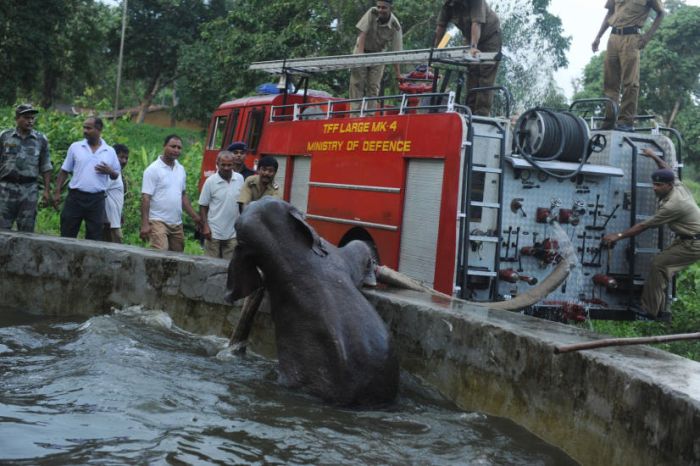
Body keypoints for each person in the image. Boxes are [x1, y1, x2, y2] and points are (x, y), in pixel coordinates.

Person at [602, 148, 700, 320]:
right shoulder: (675, 184)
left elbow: (643, 226)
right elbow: (667, 169)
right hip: (686, 239)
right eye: (654, 184)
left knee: (658, 265)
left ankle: (649, 311)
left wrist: (617, 236)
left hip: (693, 243)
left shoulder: (674, 205)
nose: (654, 188)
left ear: (668, 186)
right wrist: (654, 156)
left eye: (658, 185)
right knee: (662, 267)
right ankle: (658, 308)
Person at [592, 0, 664, 131]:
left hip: (631, 38)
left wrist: (646, 38)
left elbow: (661, 13)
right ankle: (609, 121)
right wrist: (598, 36)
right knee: (610, 84)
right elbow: (610, 13)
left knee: (630, 83)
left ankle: (626, 122)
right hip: (613, 37)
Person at [54, 117, 121, 241]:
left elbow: (116, 174)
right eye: (84, 127)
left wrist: (109, 171)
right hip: (75, 198)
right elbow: (64, 171)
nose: (85, 131)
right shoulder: (75, 147)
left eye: (88, 128)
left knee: (94, 236)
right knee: (67, 233)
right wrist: (57, 191)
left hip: (97, 200)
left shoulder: (109, 151)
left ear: (99, 129)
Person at [434, 0, 502, 117]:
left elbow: (476, 23)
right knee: (472, 75)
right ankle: (469, 112)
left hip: (490, 37)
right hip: (471, 38)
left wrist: (473, 47)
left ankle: (481, 116)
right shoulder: (447, 5)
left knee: (485, 78)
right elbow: (441, 27)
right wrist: (435, 49)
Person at [140, 134, 201, 252]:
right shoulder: (153, 169)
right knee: (160, 253)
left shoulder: (181, 169)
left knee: (177, 257)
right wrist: (145, 224)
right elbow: (145, 198)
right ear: (164, 146)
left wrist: (195, 217)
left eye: (179, 148)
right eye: (173, 146)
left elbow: (182, 195)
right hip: (157, 221)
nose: (176, 150)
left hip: (176, 222)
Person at [0, 104, 53, 232]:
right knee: (2, 229)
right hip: (6, 189)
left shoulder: (40, 139)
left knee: (26, 230)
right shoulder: (5, 136)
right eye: (26, 117)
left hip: (28, 190)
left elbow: (45, 166)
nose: (30, 121)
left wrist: (46, 190)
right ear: (17, 118)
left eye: (32, 118)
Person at [349, 0, 403, 111]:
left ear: (390, 8)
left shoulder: (395, 26)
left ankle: (370, 115)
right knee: (357, 83)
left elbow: (396, 52)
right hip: (362, 49)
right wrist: (360, 55)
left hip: (378, 54)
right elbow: (363, 32)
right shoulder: (372, 12)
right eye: (379, 7)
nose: (380, 10)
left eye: (384, 8)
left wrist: (398, 74)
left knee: (373, 86)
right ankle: (354, 114)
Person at [198, 150, 244, 259]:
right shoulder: (210, 181)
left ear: (233, 164)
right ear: (217, 164)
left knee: (229, 267)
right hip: (213, 233)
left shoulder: (240, 179)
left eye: (229, 165)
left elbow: (241, 204)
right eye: (223, 165)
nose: (226, 168)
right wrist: (205, 227)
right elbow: (203, 206)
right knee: (210, 266)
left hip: (233, 233)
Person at [103, 144, 129, 243]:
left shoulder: (117, 174)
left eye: (126, 158)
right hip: (109, 223)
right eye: (121, 157)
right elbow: (101, 193)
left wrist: (120, 214)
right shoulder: (110, 173)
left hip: (114, 221)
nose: (124, 161)